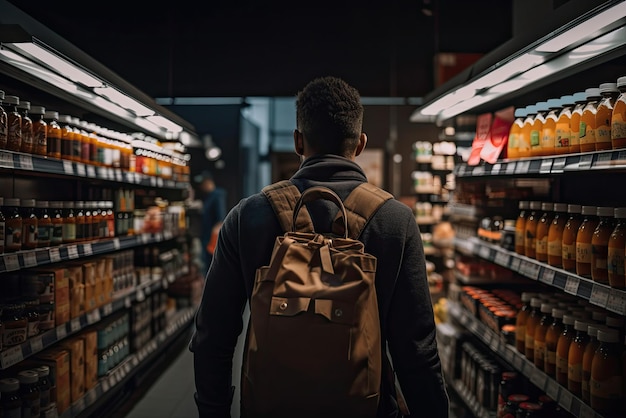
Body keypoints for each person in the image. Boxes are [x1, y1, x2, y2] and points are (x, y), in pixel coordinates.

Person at [190, 76, 450, 417]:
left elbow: (213, 336)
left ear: (299, 141)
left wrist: (214, 411)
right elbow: (417, 349)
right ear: (360, 144)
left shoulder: (247, 217)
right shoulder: (395, 221)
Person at [196, 170, 227, 271]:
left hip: (211, 239)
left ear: (208, 182)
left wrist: (213, 242)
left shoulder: (218, 195)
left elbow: (220, 220)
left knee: (212, 268)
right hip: (205, 237)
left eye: (202, 183)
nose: (201, 187)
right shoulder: (208, 197)